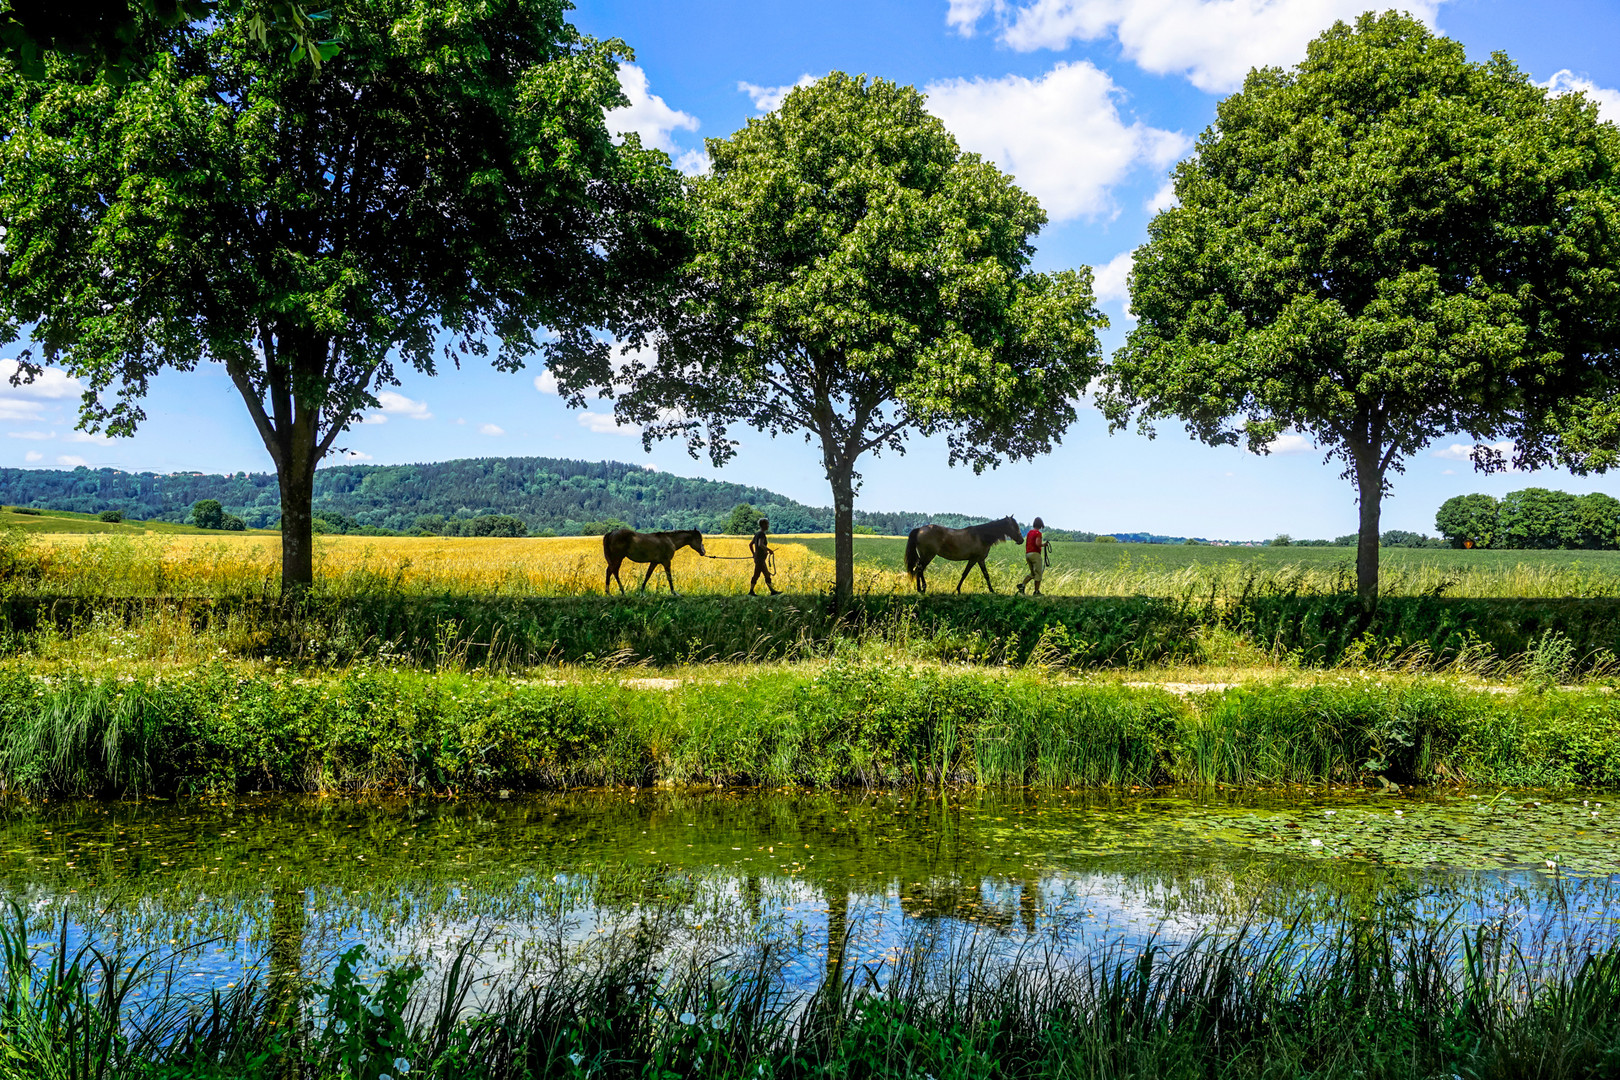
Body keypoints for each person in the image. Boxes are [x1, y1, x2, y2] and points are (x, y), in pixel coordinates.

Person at [750, 517, 781, 596]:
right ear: (763, 525)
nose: (768, 526)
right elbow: (760, 544)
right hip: (760, 559)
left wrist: (754, 554)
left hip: (759, 558)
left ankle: (772, 591)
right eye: (767, 524)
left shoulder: (757, 534)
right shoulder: (761, 534)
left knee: (763, 574)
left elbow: (750, 544)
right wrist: (769, 550)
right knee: (759, 574)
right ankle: (751, 591)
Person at [1016, 516, 1048, 595]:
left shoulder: (1029, 532)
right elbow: (1037, 544)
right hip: (1035, 554)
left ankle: (1022, 586)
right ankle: (1036, 591)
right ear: (1041, 525)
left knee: (1033, 573)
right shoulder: (1038, 533)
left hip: (1028, 554)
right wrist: (1044, 545)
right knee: (1038, 573)